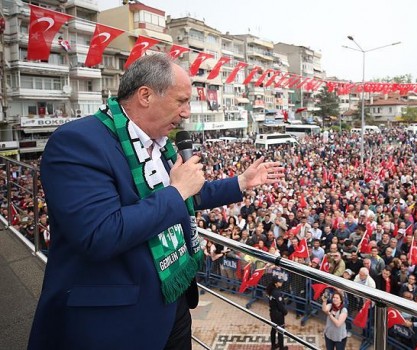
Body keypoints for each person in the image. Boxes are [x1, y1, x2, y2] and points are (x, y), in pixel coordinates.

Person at [28, 54, 284, 350]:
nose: (187, 112)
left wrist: (241, 182)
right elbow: (100, 234)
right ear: (145, 95)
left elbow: (186, 194)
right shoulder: (78, 142)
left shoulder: (158, 143)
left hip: (171, 297)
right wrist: (175, 192)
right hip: (117, 317)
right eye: (181, 101)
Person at [267, 277, 288, 350]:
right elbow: (280, 305)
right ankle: (281, 348)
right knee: (280, 330)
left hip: (272, 313)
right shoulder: (277, 293)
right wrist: (285, 312)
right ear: (276, 283)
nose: (281, 283)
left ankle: (273, 346)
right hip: (278, 314)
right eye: (280, 282)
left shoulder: (271, 290)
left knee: (273, 329)